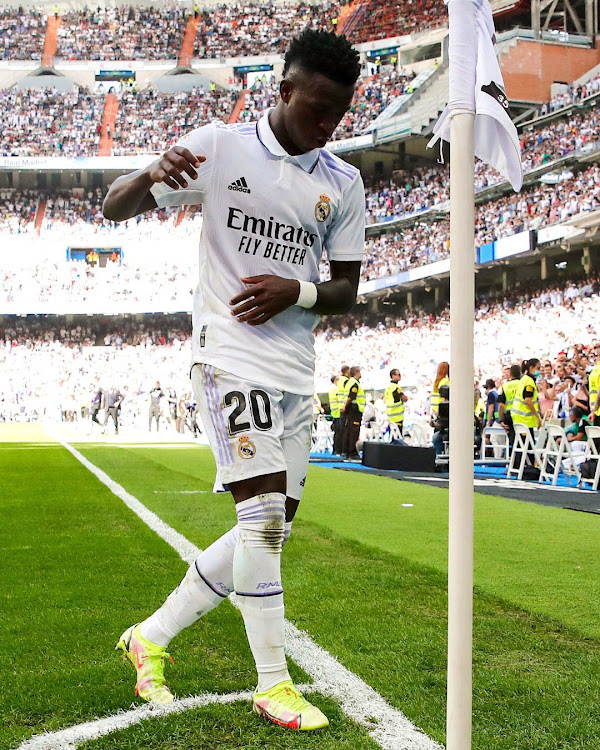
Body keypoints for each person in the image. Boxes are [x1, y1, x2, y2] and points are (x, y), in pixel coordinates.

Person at [103, 29, 364, 731]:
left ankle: (150, 637)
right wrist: (151, 174)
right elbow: (113, 207)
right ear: (284, 91)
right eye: (315, 110)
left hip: (294, 372)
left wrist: (298, 291)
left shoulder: (342, 182)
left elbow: (344, 291)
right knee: (264, 520)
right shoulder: (221, 148)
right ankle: (274, 683)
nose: (324, 126)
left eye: (337, 116)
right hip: (227, 357)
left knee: (266, 533)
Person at [511, 358, 542, 466]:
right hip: (524, 418)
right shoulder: (529, 381)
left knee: (523, 445)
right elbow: (528, 399)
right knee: (526, 445)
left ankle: (522, 467)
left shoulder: (524, 379)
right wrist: (537, 416)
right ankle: (525, 467)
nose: (540, 370)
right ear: (531, 368)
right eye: (538, 368)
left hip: (519, 417)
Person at [341, 366, 365, 459]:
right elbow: (351, 396)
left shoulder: (349, 382)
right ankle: (352, 453)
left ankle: (346, 452)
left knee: (348, 431)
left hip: (350, 411)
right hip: (354, 410)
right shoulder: (355, 384)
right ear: (356, 373)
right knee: (354, 432)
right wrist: (345, 407)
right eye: (359, 372)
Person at [497, 364, 521, 445]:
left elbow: (501, 405)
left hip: (510, 417)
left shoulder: (505, 386)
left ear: (511, 373)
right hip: (522, 416)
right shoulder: (523, 384)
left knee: (513, 442)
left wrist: (501, 420)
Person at [384, 368, 407, 435]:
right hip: (397, 417)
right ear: (393, 376)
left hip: (391, 417)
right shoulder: (396, 388)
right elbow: (404, 398)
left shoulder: (388, 388)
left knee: (392, 438)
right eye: (398, 375)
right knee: (398, 439)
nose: (400, 376)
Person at [333, 364, 350, 454]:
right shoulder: (346, 381)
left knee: (339, 432)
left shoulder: (340, 382)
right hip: (344, 408)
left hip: (338, 409)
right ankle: (343, 451)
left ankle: (337, 450)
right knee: (344, 432)